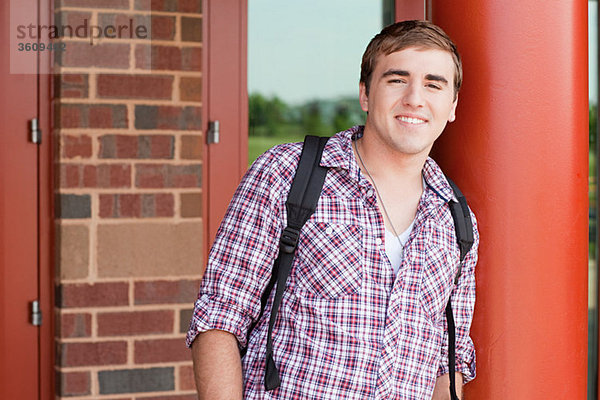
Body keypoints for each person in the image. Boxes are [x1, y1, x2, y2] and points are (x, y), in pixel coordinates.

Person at [186, 20, 479, 400]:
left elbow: (448, 359)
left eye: (434, 84)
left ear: (452, 106)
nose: (414, 99)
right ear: (365, 94)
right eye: (396, 79)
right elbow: (220, 317)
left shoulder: (456, 220)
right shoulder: (287, 174)